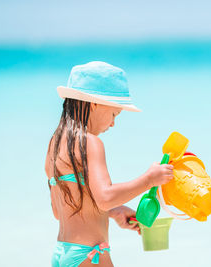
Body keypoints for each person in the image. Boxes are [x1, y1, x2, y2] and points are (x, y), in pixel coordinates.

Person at [44, 61, 174, 267]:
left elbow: (59, 211)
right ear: (95, 104)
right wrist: (150, 179)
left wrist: (116, 211)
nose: (113, 123)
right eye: (114, 114)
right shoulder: (91, 143)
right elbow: (104, 197)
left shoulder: (55, 144)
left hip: (63, 253)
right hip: (91, 255)